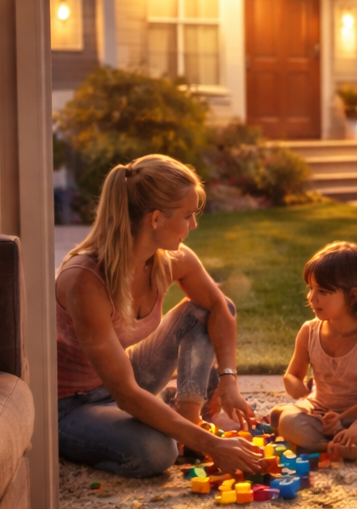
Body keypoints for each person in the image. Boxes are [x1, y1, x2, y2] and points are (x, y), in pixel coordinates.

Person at [56, 154, 261, 478]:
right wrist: (211, 445)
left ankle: (184, 413)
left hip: (126, 377)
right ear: (154, 219)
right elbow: (124, 394)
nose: (193, 225)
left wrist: (229, 380)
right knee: (156, 451)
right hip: (70, 405)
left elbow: (220, 309)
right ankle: (108, 436)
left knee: (204, 310)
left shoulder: (171, 260)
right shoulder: (85, 280)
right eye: (187, 216)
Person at [270, 242, 357, 461]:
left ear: (352, 296)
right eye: (311, 289)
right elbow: (292, 375)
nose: (312, 298)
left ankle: (335, 443)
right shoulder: (309, 331)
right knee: (288, 421)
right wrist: (305, 397)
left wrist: (356, 426)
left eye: (322, 291)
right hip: (324, 415)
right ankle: (338, 445)